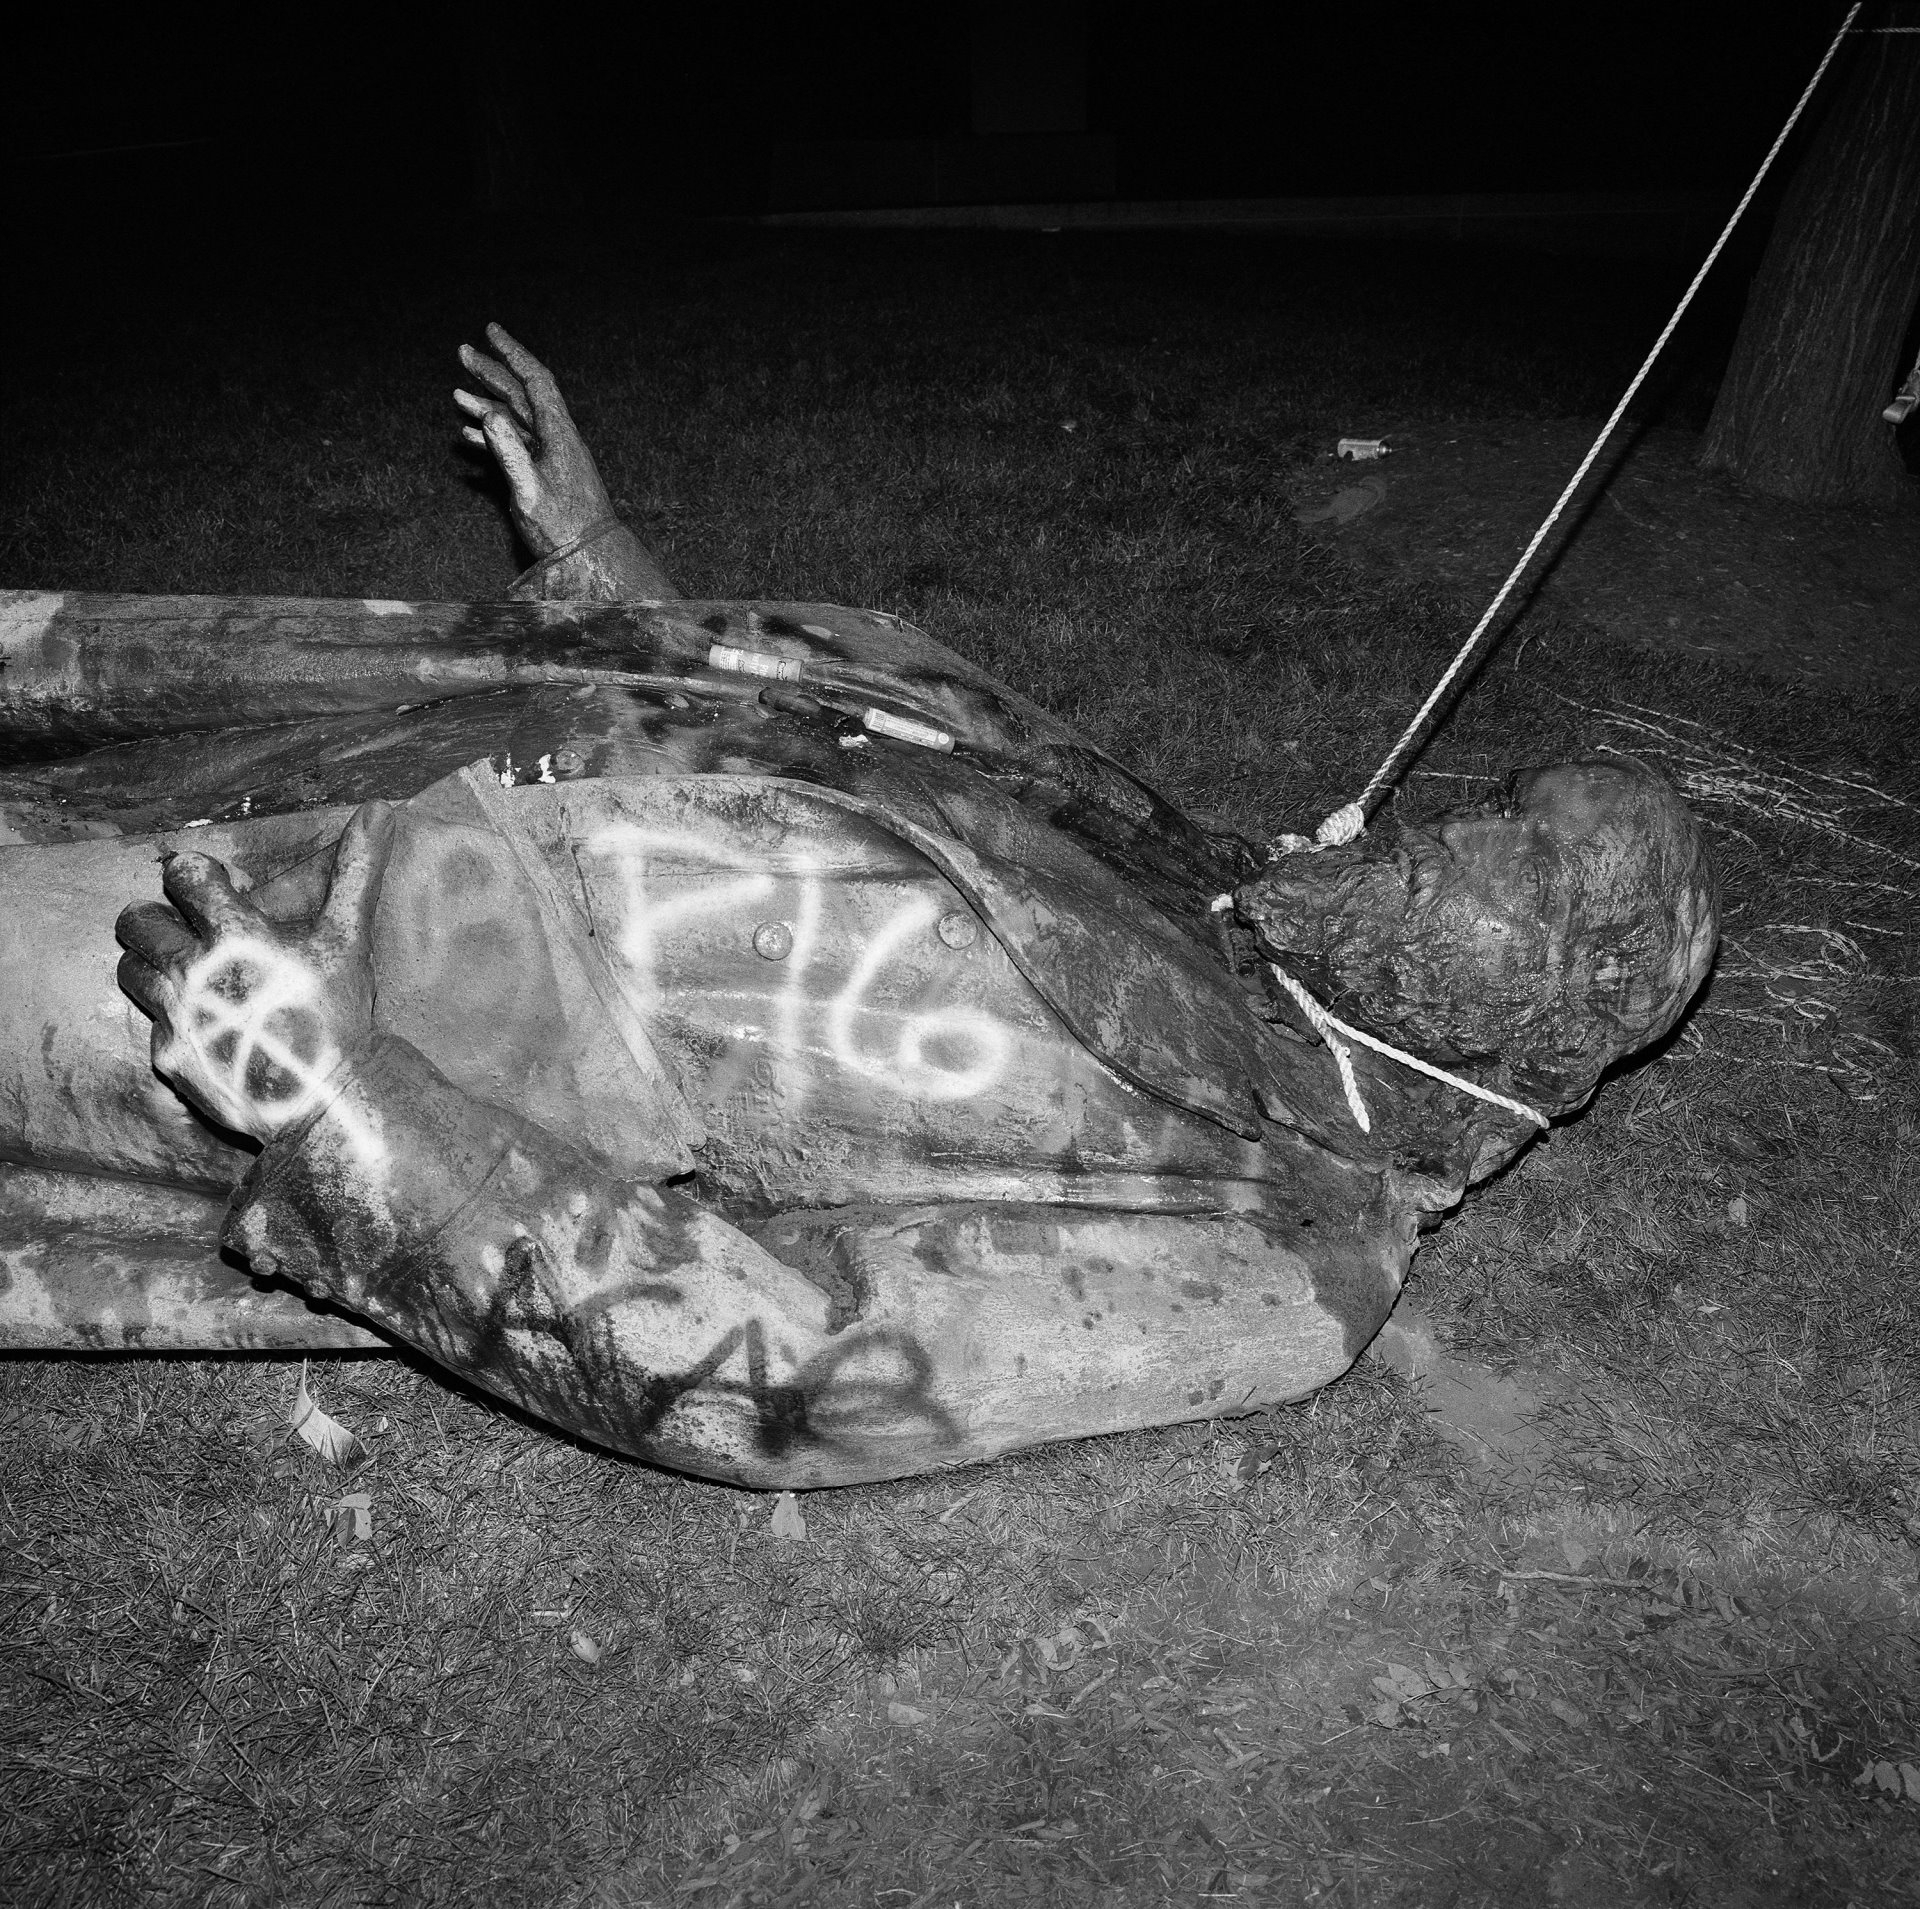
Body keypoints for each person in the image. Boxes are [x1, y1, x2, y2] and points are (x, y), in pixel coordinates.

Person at [0, 331, 1718, 1488]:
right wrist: (609, 577)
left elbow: (796, 1370)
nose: (1457, 832)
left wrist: (343, 1106)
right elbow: (867, 753)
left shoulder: (1286, 1247)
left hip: (344, 966)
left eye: (1529, 864)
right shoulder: (1223, 887)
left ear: (1561, 1004)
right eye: (1501, 805)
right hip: (379, 752)